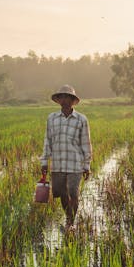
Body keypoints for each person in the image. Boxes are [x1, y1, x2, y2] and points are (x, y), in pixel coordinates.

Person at [40, 84, 92, 230]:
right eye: (61, 97)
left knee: (73, 193)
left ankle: (70, 222)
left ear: (72, 100)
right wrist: (44, 161)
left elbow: (86, 143)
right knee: (62, 194)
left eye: (67, 97)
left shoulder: (81, 119)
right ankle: (68, 216)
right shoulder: (52, 118)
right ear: (58, 100)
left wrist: (87, 165)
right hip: (58, 163)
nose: (64, 100)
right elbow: (47, 140)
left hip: (75, 163)